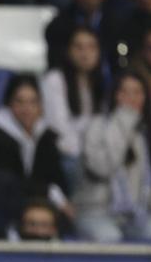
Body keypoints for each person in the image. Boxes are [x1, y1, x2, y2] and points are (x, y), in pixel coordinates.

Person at [77, 68, 151, 241]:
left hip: (136, 216)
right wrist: (123, 122)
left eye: (137, 92)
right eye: (124, 92)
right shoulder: (97, 126)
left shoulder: (149, 134)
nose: (131, 98)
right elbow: (103, 168)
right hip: (96, 212)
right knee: (109, 238)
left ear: (145, 98)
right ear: (114, 96)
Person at [0, 74, 69, 205]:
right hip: (4, 203)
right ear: (8, 104)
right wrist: (48, 192)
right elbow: (4, 182)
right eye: (19, 101)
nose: (27, 109)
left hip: (41, 204)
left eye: (33, 102)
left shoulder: (46, 136)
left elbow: (58, 180)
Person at [42, 26, 106, 184]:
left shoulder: (102, 84)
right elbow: (58, 128)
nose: (85, 54)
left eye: (91, 47)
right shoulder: (54, 80)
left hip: (94, 154)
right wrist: (87, 156)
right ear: (68, 50)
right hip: (68, 155)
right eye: (78, 47)